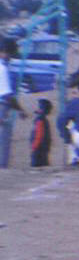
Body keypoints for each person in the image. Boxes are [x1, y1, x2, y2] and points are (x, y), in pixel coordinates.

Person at [0, 38, 26, 169]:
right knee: (3, 139)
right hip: (2, 105)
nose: (10, 58)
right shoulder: (2, 68)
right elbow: (7, 95)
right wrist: (20, 109)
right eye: (9, 54)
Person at [30, 98, 52, 167]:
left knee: (36, 165)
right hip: (43, 148)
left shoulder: (40, 119)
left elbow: (39, 135)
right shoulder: (44, 120)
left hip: (39, 149)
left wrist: (34, 146)